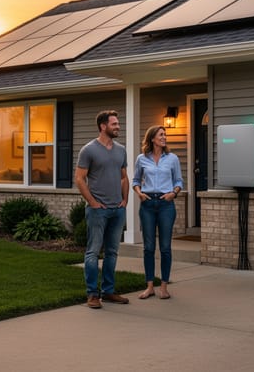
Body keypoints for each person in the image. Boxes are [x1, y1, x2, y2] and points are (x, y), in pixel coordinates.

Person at [75, 110, 130, 309]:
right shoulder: (88, 150)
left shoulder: (121, 150)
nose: (118, 127)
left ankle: (108, 291)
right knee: (93, 252)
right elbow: (79, 178)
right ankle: (92, 294)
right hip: (97, 210)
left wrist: (125, 200)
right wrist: (92, 202)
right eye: (114, 124)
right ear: (103, 126)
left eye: (118, 123)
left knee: (112, 252)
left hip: (117, 210)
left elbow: (123, 177)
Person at [132, 125, 183, 300]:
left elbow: (179, 181)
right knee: (148, 248)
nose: (164, 137)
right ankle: (149, 287)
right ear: (152, 138)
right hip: (147, 205)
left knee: (165, 247)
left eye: (165, 135)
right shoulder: (141, 158)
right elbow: (135, 180)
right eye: (161, 135)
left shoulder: (172, 158)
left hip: (165, 205)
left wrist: (173, 193)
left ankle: (164, 287)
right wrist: (139, 193)